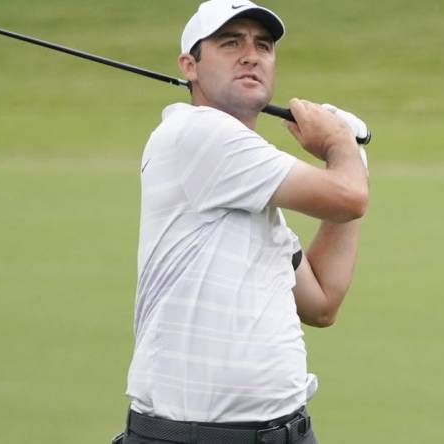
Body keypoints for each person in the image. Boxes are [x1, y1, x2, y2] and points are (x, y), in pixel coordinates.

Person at [114, 1, 369, 443]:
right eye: (230, 43)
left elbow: (322, 301)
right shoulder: (198, 134)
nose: (251, 54)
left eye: (263, 45)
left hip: (286, 431)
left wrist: (351, 155)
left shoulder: (252, 189)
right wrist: (342, 149)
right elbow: (347, 197)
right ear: (188, 66)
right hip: (192, 437)